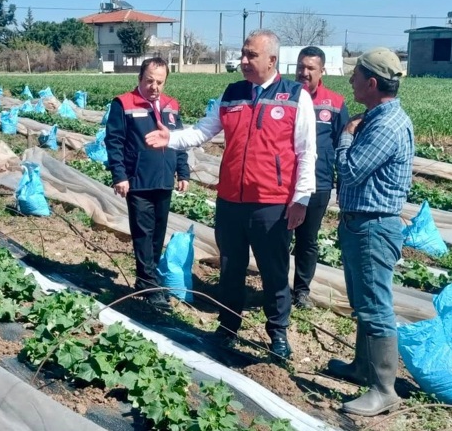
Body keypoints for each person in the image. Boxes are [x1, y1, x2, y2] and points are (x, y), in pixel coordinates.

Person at [145, 30, 317, 361]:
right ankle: (227, 326)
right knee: (231, 268)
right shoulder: (234, 93)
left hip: (272, 203)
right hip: (231, 202)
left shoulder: (295, 96)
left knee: (274, 271)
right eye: (243, 54)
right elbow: (203, 131)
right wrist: (172, 138)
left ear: (271, 60)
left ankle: (277, 334)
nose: (243, 61)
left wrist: (301, 199)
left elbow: (307, 152)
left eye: (251, 55)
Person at [325, 48, 411, 417]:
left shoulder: (385, 125)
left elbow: (351, 170)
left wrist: (345, 135)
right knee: (364, 302)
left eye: (356, 76)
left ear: (372, 83)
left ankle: (384, 389)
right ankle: (363, 367)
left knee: (376, 307)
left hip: (374, 226)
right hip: (361, 223)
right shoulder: (378, 118)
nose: (350, 82)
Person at [104, 57, 190, 311]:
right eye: (150, 80)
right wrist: (119, 175)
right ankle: (150, 285)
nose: (154, 87)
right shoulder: (124, 104)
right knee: (143, 233)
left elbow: (179, 141)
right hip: (138, 180)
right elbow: (114, 142)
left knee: (158, 233)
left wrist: (183, 172)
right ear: (140, 78)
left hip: (163, 180)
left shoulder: (171, 106)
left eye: (160, 82)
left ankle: (146, 281)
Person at [291, 46, 349, 309]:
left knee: (307, 239)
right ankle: (278, 286)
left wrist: (342, 184)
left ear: (322, 71)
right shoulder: (285, 96)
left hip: (319, 182)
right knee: (278, 237)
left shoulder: (335, 103)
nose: (304, 72)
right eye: (300, 67)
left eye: (310, 68)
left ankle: (301, 291)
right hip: (284, 181)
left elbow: (343, 144)